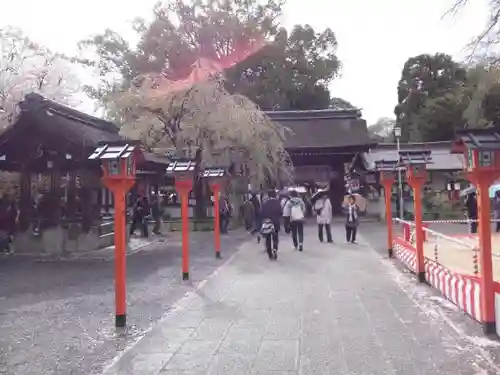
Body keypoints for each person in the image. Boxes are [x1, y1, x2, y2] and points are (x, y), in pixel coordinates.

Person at [260, 189, 282, 260]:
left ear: (268, 195)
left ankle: (270, 254)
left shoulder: (265, 203)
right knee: (275, 237)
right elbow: (280, 212)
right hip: (276, 222)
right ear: (275, 195)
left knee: (268, 238)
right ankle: (275, 248)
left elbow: (261, 213)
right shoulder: (277, 202)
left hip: (267, 222)